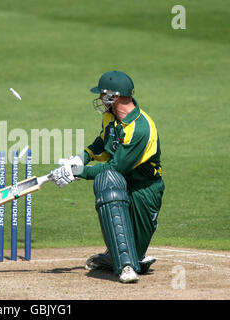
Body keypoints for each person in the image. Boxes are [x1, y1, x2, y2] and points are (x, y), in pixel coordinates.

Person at [49, 71, 165, 283]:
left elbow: (115, 167)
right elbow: (103, 142)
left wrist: (76, 173)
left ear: (115, 96)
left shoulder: (140, 129)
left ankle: (125, 258)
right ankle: (125, 266)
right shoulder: (110, 117)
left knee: (109, 177)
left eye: (103, 94)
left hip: (145, 190)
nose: (100, 98)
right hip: (124, 183)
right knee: (107, 182)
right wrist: (81, 158)